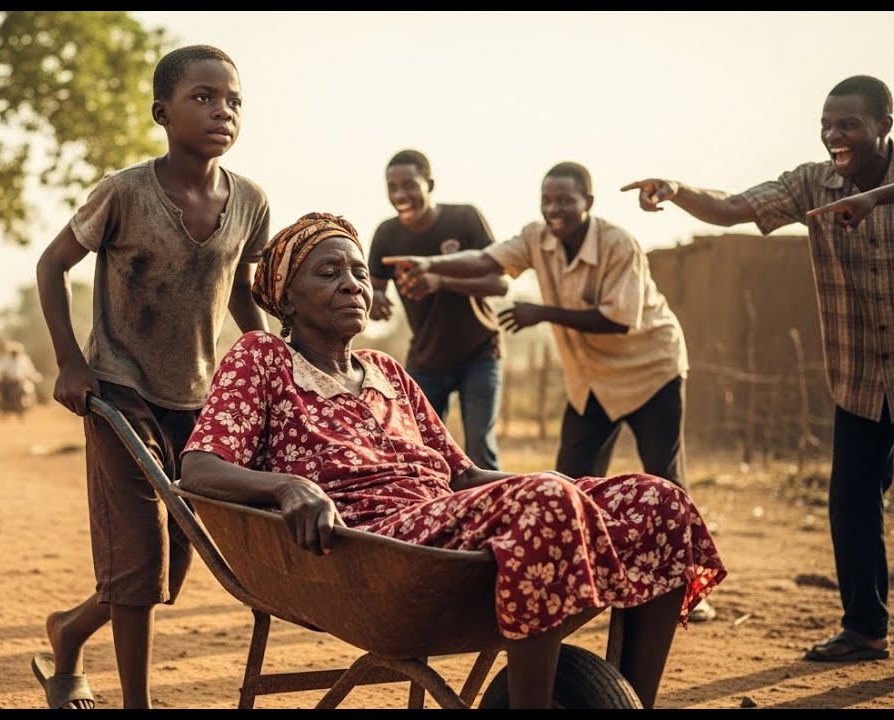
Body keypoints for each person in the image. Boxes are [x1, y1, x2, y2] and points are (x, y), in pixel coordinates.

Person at [178, 212, 726, 709]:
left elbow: (462, 474)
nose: (351, 283)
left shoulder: (386, 370)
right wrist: (288, 487)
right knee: (546, 499)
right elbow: (200, 468)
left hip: (440, 529)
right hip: (371, 548)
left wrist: (555, 485)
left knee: (658, 500)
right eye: (327, 273)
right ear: (287, 298)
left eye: (358, 272)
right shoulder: (263, 359)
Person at [621, 74, 894, 663]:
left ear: (884, 126)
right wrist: (674, 187)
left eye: (848, 124)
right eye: (827, 124)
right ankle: (866, 627)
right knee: (851, 497)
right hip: (861, 376)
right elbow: (731, 206)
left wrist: (877, 198)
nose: (833, 135)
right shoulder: (810, 183)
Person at [31, 44, 270, 709]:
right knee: (139, 568)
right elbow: (52, 267)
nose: (221, 111)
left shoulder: (250, 201)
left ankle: (69, 632)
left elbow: (241, 287)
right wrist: (71, 362)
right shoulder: (125, 193)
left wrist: (267, 353)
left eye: (233, 100)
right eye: (203, 98)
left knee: (169, 571)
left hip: (196, 402)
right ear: (163, 113)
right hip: (116, 390)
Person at [384, 161, 717, 623]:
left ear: (589, 203)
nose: (554, 209)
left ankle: (685, 592)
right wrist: (431, 265)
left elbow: (620, 319)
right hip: (592, 379)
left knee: (664, 474)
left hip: (650, 370)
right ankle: (577, 583)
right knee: (572, 479)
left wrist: (541, 312)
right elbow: (488, 260)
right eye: (547, 200)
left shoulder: (618, 244)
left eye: (565, 200)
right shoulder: (536, 238)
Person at [366, 149, 507, 469]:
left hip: (480, 352)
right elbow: (373, 291)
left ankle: (490, 516)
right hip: (427, 358)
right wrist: (375, 301)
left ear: (429, 183)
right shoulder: (387, 234)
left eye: (409, 185)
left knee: (480, 452)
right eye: (392, 186)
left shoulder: (465, 218)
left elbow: (499, 283)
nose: (400, 194)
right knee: (419, 450)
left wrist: (439, 281)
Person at [0, 342, 41, 420]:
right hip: (8, 382)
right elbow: (1, 371)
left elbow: (30, 371)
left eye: (16, 352)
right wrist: (5, 377)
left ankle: (24, 408)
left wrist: (36, 377)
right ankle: (2, 408)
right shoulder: (5, 359)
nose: (14, 353)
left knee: (28, 391)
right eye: (13, 352)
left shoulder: (24, 360)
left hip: (20, 382)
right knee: (0, 392)